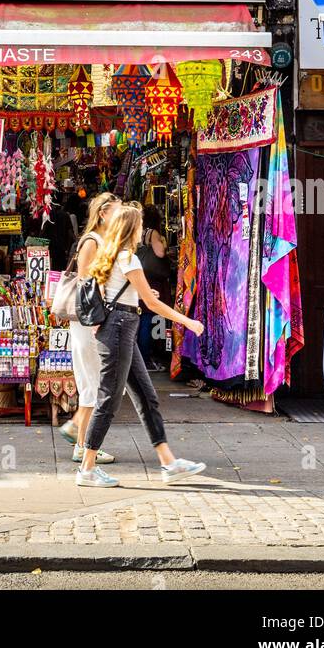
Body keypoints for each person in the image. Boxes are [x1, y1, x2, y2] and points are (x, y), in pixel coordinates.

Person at [77, 201, 207, 488]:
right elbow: (152, 303)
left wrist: (141, 294)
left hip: (120, 328)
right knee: (109, 399)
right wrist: (188, 322)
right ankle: (87, 468)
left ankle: (168, 462)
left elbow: (119, 293)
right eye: (138, 226)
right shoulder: (129, 259)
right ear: (131, 229)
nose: (141, 231)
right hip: (121, 330)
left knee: (146, 397)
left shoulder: (113, 256)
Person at [57, 192, 120, 466]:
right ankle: (83, 444)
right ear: (104, 213)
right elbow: (86, 283)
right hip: (88, 322)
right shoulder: (92, 242)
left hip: (94, 320)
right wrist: (97, 318)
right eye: (117, 212)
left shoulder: (104, 241)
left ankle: (80, 438)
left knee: (95, 384)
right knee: (92, 384)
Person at [137, 208, 172, 370]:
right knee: (148, 317)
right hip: (153, 280)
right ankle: (145, 358)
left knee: (142, 316)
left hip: (142, 277)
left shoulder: (139, 232)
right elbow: (159, 253)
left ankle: (141, 357)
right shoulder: (153, 233)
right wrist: (164, 243)